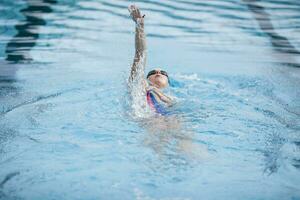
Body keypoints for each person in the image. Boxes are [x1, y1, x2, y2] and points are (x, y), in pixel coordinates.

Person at [128, 5, 173, 115]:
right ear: (146, 78)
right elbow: (140, 53)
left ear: (168, 83)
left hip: (172, 118)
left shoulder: (172, 99)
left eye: (163, 73)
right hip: (151, 121)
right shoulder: (141, 87)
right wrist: (140, 26)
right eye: (153, 72)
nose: (158, 72)